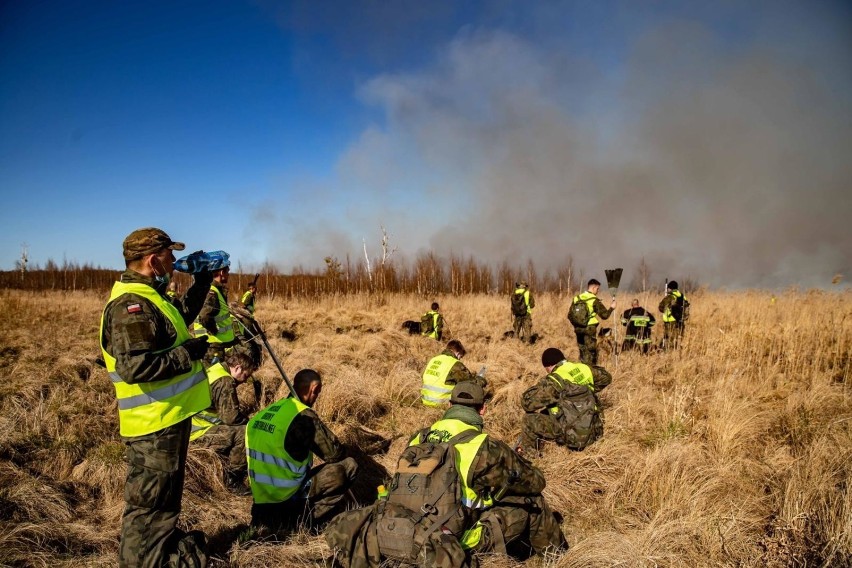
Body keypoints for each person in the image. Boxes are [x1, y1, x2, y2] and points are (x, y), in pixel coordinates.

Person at [325, 382, 566, 567]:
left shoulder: (420, 437)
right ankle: (560, 557)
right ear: (482, 410)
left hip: (398, 530)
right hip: (446, 540)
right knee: (533, 502)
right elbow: (535, 482)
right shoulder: (484, 446)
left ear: (449, 407)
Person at [99, 227, 214, 568]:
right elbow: (136, 367)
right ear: (153, 260)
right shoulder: (130, 304)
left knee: (163, 505)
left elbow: (180, 319)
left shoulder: (152, 296)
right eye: (169, 255)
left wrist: (203, 282)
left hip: (167, 419)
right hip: (152, 427)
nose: (175, 261)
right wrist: (189, 353)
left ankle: (157, 556)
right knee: (149, 510)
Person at [247, 369, 358, 533]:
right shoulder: (302, 417)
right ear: (314, 389)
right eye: (317, 393)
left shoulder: (265, 413)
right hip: (285, 500)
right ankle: (305, 520)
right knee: (348, 465)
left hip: (260, 502)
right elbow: (334, 454)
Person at [519, 348, 612, 454]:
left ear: (549, 366)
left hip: (572, 437)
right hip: (595, 431)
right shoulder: (583, 368)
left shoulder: (555, 380)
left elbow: (527, 404)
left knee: (528, 419)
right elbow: (606, 377)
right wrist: (588, 390)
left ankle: (530, 457)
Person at [189, 351, 257, 493]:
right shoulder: (225, 381)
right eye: (245, 376)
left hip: (191, 425)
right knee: (244, 432)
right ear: (237, 368)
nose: (244, 381)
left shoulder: (215, 368)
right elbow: (230, 418)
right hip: (199, 431)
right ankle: (233, 479)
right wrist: (250, 422)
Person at [192, 256, 236, 363]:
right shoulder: (212, 292)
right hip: (213, 346)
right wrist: (214, 330)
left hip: (217, 344)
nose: (228, 274)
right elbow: (204, 316)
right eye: (227, 271)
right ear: (221, 272)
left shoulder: (215, 290)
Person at [421, 339, 487, 407]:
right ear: (458, 353)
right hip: (442, 403)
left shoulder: (433, 359)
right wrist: (481, 379)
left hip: (425, 400)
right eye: (460, 357)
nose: (459, 359)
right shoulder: (454, 363)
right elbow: (471, 384)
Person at [570, 278, 615, 365]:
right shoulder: (594, 300)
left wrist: (577, 324)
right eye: (598, 289)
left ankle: (582, 367)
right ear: (594, 288)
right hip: (589, 328)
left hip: (578, 328)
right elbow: (604, 315)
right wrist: (612, 308)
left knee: (582, 349)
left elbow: (570, 315)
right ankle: (591, 370)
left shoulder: (577, 298)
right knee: (591, 351)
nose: (598, 291)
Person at [659, 281, 690, 350]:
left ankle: (669, 351)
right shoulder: (682, 296)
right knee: (678, 337)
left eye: (668, 288)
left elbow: (660, 307)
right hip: (680, 320)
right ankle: (677, 350)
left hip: (670, 320)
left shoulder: (669, 297)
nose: (667, 290)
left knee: (669, 338)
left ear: (671, 288)